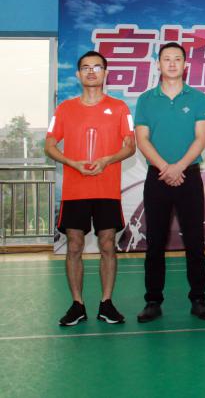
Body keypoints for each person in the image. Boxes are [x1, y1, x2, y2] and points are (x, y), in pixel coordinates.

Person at [45, 50, 136, 326]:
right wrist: (71, 162)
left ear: (105, 73)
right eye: (86, 67)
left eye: (97, 67)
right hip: (75, 191)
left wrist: (107, 160)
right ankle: (77, 305)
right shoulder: (64, 109)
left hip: (107, 190)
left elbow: (130, 146)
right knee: (74, 246)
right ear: (78, 74)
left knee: (108, 244)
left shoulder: (120, 108)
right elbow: (49, 145)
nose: (91, 71)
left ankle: (106, 303)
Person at [134, 42, 205, 322]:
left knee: (195, 241)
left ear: (185, 65)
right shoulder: (146, 99)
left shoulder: (198, 98)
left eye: (177, 59)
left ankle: (199, 298)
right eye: (166, 59)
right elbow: (142, 139)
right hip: (157, 177)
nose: (171, 63)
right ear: (158, 64)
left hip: (188, 176)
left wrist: (178, 167)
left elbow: (201, 138)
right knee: (155, 242)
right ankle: (153, 300)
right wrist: (165, 167)